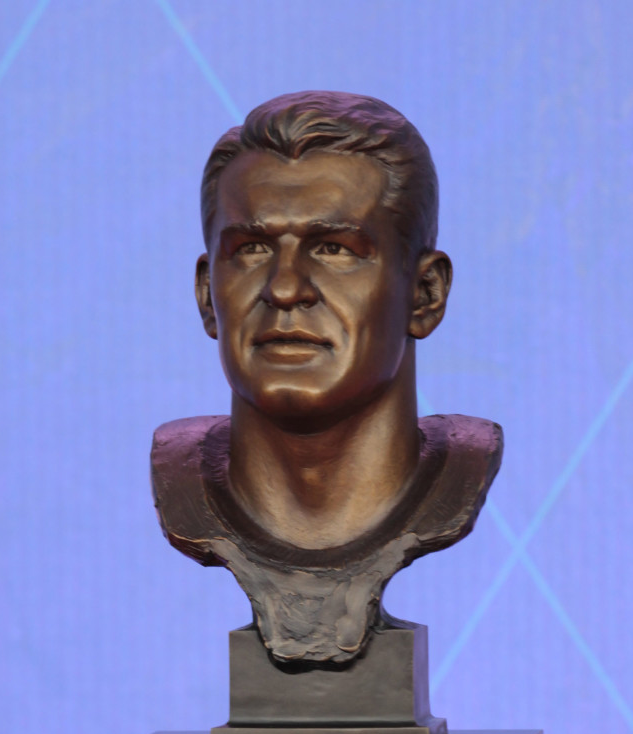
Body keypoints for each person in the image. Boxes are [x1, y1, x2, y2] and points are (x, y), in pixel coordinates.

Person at [151, 91, 502, 663]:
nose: (286, 288)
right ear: (206, 296)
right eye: (253, 249)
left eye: (335, 249)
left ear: (425, 293)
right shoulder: (181, 478)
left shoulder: (458, 469)